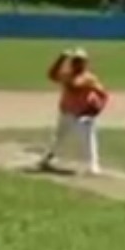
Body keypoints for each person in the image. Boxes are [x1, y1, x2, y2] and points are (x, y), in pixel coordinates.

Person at [36, 48, 109, 176]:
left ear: (85, 63)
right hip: (66, 112)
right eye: (75, 60)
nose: (77, 63)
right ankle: (47, 158)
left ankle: (94, 165)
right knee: (59, 138)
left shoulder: (89, 78)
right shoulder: (67, 74)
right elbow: (51, 75)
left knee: (89, 139)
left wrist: (97, 109)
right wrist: (61, 59)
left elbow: (103, 94)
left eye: (80, 61)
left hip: (82, 114)